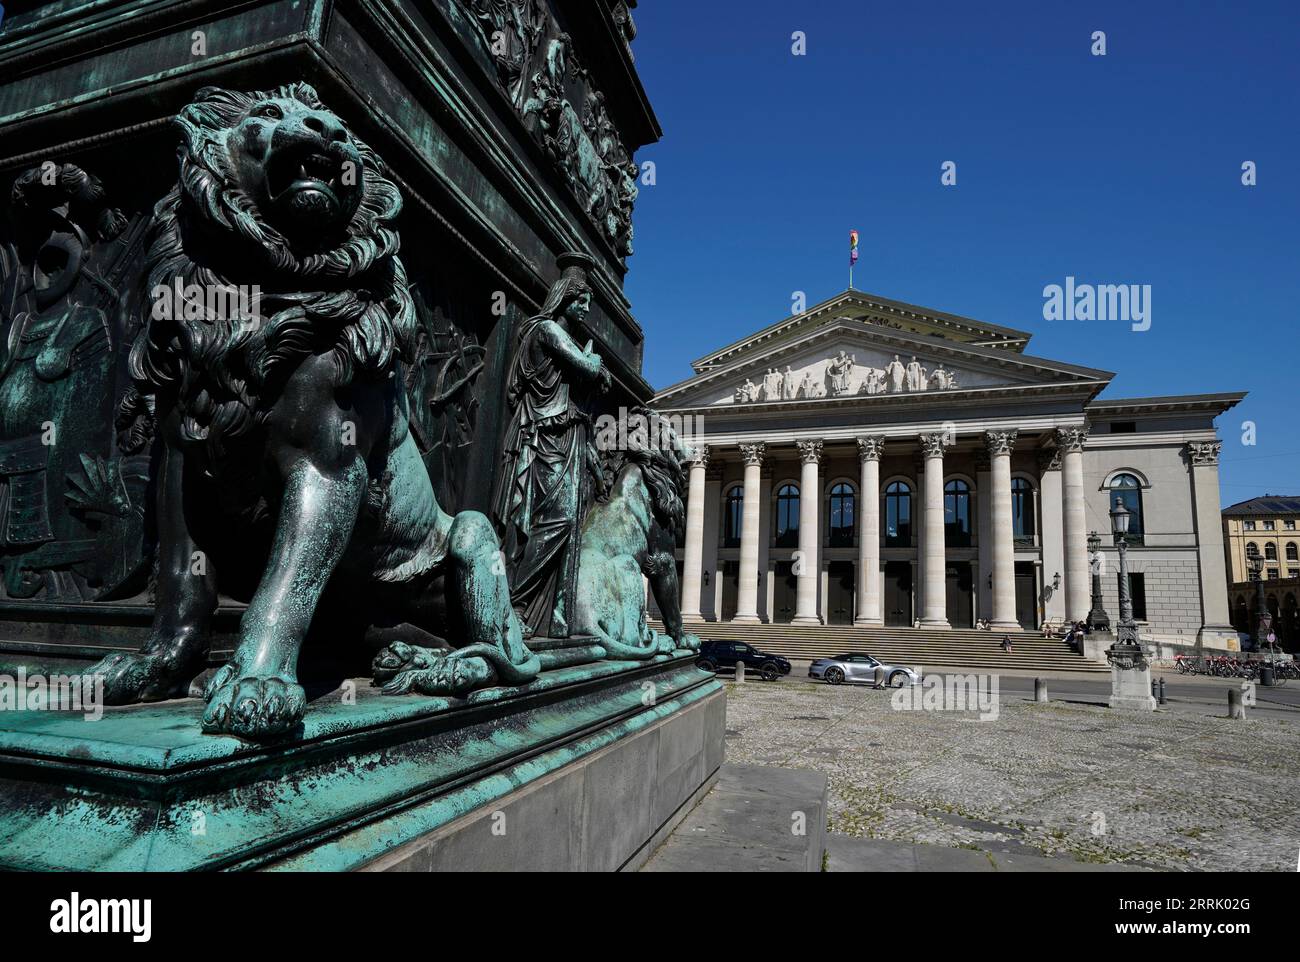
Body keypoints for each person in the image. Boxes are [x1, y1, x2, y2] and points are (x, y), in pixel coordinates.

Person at [493, 252, 610, 638]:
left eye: (589, 304)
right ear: (565, 298)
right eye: (582, 302)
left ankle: (546, 611)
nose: (586, 311)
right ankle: (517, 600)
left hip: (564, 435)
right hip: (547, 437)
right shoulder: (546, 330)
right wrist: (592, 361)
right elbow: (589, 368)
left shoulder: (557, 334)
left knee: (564, 520)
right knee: (557, 521)